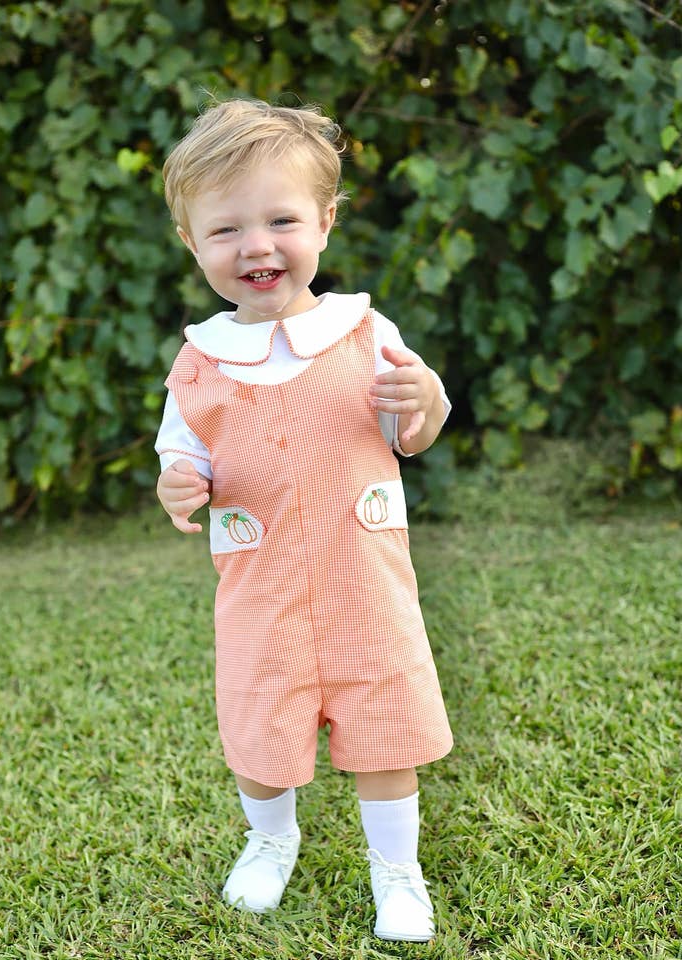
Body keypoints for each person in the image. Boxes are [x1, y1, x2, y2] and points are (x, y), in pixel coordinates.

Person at [154, 97, 454, 943]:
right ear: (192, 242)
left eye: (281, 219)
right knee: (260, 720)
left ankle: (398, 870)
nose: (256, 246)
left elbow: (412, 432)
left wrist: (425, 400)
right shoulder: (200, 359)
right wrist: (180, 487)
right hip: (261, 591)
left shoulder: (363, 332)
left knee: (384, 723)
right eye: (226, 229)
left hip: (365, 584)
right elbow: (183, 460)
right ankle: (269, 839)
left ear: (323, 222)